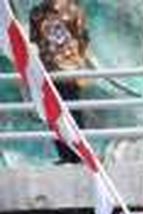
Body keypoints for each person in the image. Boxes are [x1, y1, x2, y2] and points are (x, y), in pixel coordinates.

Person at [29, 0, 90, 164]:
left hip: (70, 70)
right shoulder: (37, 13)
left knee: (74, 113)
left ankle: (79, 156)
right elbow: (34, 43)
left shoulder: (73, 9)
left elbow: (83, 39)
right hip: (48, 72)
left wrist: (79, 64)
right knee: (54, 116)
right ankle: (64, 156)